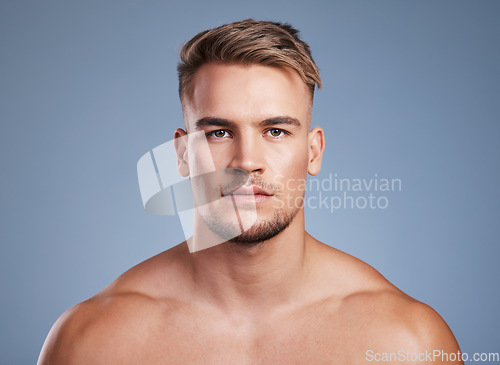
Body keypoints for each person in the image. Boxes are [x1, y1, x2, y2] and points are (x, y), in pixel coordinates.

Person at [38, 19, 463, 364]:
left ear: (313, 152)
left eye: (275, 131)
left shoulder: (410, 343)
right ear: (183, 155)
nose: (246, 161)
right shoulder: (93, 342)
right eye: (219, 132)